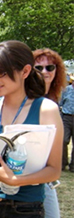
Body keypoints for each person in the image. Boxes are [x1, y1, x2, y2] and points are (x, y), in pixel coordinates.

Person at [0, 40, 63, 218]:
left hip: (24, 206)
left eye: (0, 73)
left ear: (25, 71)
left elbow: (54, 170)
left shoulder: (46, 110)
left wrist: (16, 180)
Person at [33, 48, 67, 218]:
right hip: (26, 176)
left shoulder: (53, 99)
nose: (44, 72)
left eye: (50, 68)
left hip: (46, 176)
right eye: (38, 68)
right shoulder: (25, 99)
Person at [60, 78, 74, 172]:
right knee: (64, 140)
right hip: (67, 117)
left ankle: (73, 166)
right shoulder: (66, 90)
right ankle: (63, 163)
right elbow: (60, 103)